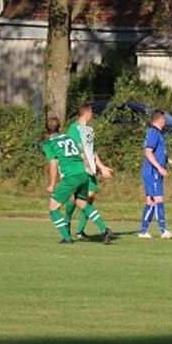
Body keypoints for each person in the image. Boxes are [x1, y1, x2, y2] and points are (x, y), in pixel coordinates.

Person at [43, 116, 113, 244]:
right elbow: (82, 155)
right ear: (59, 128)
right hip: (83, 173)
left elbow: (53, 164)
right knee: (82, 203)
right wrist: (89, 169)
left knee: (53, 208)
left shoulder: (49, 144)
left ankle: (67, 238)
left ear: (46, 130)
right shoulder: (69, 138)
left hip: (70, 177)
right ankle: (104, 230)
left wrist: (52, 184)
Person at [65, 103, 114, 241]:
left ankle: (80, 231)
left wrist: (101, 167)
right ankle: (66, 222)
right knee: (76, 199)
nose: (93, 115)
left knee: (90, 198)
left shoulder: (90, 130)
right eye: (91, 112)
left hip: (90, 169)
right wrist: (86, 166)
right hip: (79, 168)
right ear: (86, 113)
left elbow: (91, 151)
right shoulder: (74, 129)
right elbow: (79, 150)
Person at [139, 109, 172, 239]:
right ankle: (163, 230)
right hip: (152, 172)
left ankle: (143, 231)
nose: (166, 122)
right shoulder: (153, 132)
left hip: (152, 171)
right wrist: (159, 168)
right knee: (158, 199)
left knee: (151, 201)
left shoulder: (158, 133)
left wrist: (170, 162)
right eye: (165, 120)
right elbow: (148, 152)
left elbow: (159, 154)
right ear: (161, 120)